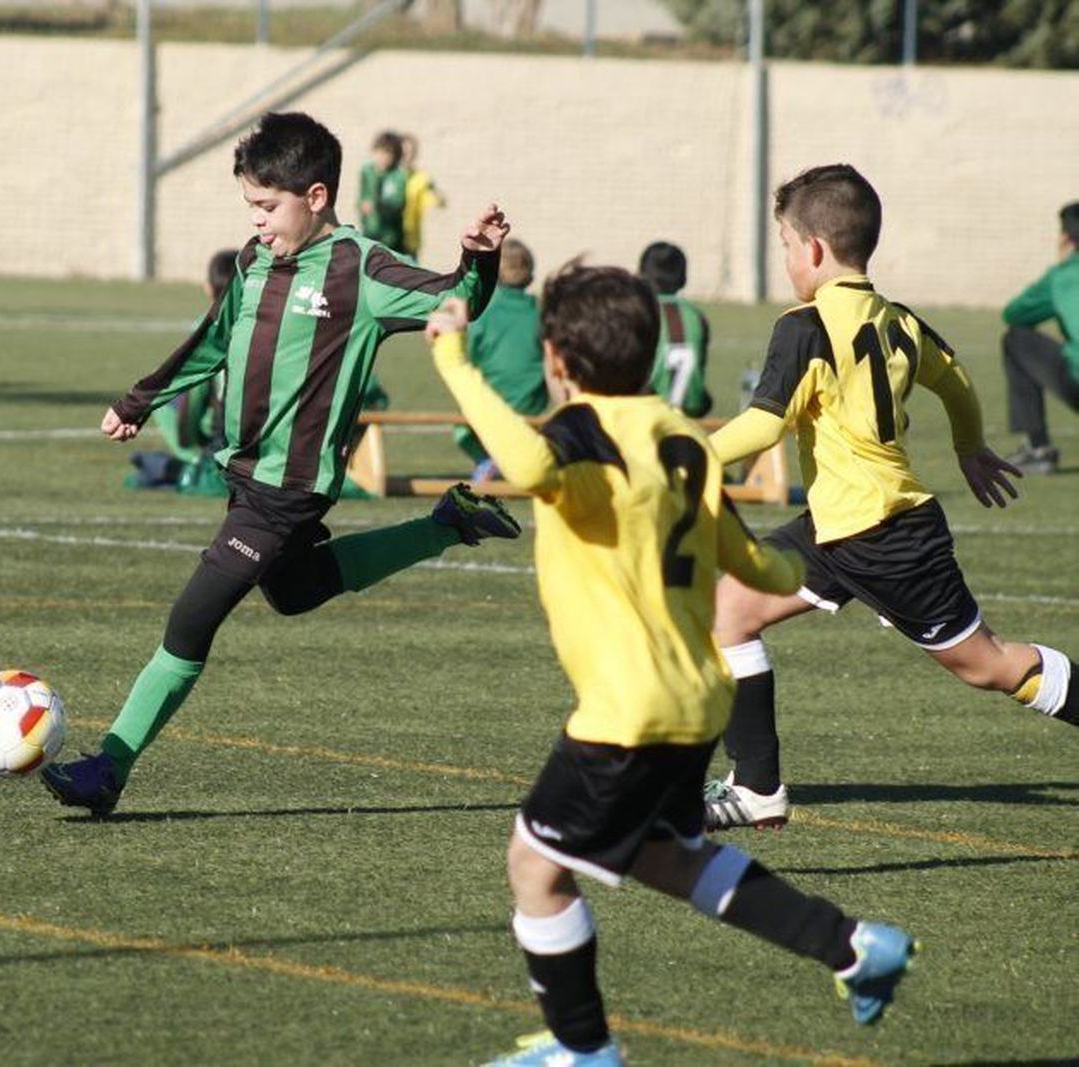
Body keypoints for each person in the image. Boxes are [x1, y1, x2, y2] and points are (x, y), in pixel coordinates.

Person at [425, 262, 915, 1067]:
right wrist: (800, 575)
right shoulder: (683, 438)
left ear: (557, 358)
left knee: (535, 865)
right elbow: (752, 564)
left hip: (629, 711)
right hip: (697, 701)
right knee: (666, 856)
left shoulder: (580, 435)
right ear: (650, 353)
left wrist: (454, 359)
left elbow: (533, 464)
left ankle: (584, 1051)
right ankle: (856, 946)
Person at [40, 111, 518, 816]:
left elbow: (456, 301)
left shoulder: (361, 268)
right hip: (245, 477)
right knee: (295, 589)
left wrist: (477, 259)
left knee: (192, 617)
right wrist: (142, 399)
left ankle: (108, 767)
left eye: (268, 207)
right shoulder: (251, 261)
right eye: (251, 208)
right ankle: (448, 523)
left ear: (316, 197)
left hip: (287, 489)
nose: (259, 222)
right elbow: (211, 341)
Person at [701, 164, 1077, 832]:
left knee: (987, 665)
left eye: (786, 247)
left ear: (813, 250)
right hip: (839, 528)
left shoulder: (805, 326)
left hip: (887, 536)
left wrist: (686, 455)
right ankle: (758, 787)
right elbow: (955, 375)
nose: (788, 260)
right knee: (728, 611)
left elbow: (766, 423)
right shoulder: (898, 319)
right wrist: (969, 443)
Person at [130, 249, 236, 490]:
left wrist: (193, 448)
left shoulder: (208, 326)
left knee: (165, 398)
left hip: (228, 434)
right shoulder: (268, 321)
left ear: (207, 288)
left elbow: (193, 388)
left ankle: (195, 461)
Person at [454, 238, 546, 482]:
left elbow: (468, 359)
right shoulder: (540, 313)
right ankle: (508, 459)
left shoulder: (484, 313)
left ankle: (487, 459)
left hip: (492, 405)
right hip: (533, 405)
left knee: (461, 428)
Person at [999, 201, 1079, 475]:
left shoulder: (1064, 275)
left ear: (1067, 238)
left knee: (1016, 339)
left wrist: (1062, 267)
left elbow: (1014, 314)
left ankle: (1038, 449)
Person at [639, 241, 712, 417]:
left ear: (641, 275)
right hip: (689, 413)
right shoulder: (697, 317)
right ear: (683, 279)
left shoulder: (641, 311)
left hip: (647, 412)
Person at [357, 130, 408, 255]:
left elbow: (398, 204)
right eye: (380, 152)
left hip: (391, 239)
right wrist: (362, 206)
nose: (383, 157)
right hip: (369, 234)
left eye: (388, 154)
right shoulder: (367, 171)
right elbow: (362, 197)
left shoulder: (398, 176)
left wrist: (376, 206)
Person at [400, 133, 446, 262]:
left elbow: (438, 202)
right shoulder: (388, 177)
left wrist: (435, 191)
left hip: (410, 242)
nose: (406, 157)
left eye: (410, 153)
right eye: (403, 153)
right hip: (388, 239)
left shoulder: (421, 178)